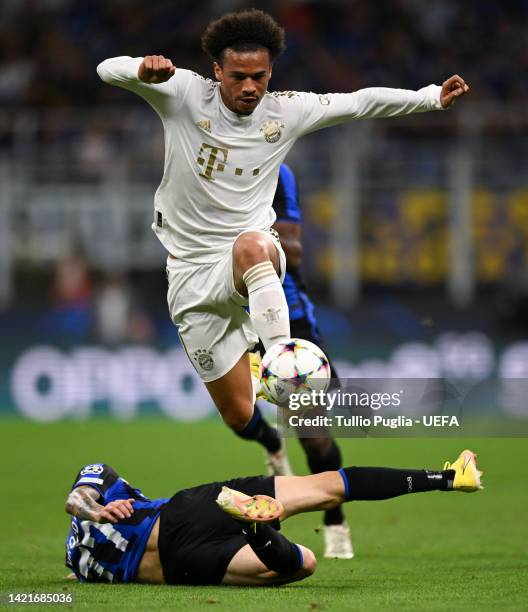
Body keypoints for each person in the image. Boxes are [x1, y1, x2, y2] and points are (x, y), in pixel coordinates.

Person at [96, 4, 469, 547]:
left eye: (260, 76)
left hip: (246, 258)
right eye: (239, 76)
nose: (250, 87)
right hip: (189, 278)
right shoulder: (181, 93)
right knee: (237, 414)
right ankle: (271, 436)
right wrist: (141, 71)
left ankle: (281, 359)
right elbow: (107, 68)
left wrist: (431, 96)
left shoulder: (285, 111)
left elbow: (360, 102)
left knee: (253, 246)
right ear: (217, 71)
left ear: (271, 73)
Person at [64, 449, 482, 585]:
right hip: (189, 522)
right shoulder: (98, 506)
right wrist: (100, 510)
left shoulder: (85, 563)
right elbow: (78, 500)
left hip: (182, 554)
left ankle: (255, 529)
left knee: (299, 565)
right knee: (328, 489)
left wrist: (96, 511)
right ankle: (448, 478)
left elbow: (77, 501)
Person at [236, 163, 353, 558]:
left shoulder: (275, 171)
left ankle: (335, 518)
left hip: (286, 311)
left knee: (314, 436)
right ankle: (271, 442)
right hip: (228, 307)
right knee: (237, 413)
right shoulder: (202, 163)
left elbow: (294, 246)